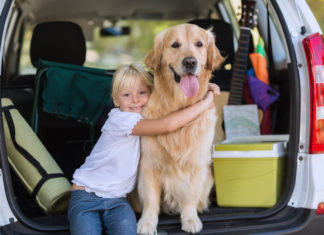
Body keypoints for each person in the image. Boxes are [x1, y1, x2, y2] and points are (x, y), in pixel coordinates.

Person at [67, 63, 220, 235]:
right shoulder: (120, 120)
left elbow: (169, 89)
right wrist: (205, 103)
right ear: (116, 100)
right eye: (126, 95)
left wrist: (204, 87)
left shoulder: (143, 116)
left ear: (152, 94)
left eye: (142, 92)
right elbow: (168, 125)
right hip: (86, 196)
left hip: (117, 200)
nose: (135, 100)